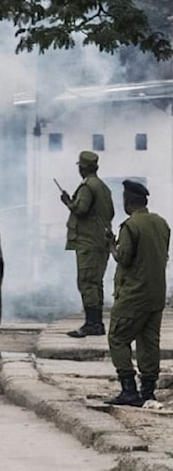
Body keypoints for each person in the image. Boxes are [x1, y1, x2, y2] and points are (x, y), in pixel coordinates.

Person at [104, 180, 169, 407]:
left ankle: (128, 389)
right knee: (149, 342)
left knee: (117, 337)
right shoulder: (161, 223)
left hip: (134, 294)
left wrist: (112, 246)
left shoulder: (130, 226)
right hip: (156, 293)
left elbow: (125, 258)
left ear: (128, 201)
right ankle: (148, 391)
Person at [60, 150, 115, 338]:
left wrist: (68, 202)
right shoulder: (103, 187)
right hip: (101, 242)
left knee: (87, 282)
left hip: (88, 242)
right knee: (95, 282)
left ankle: (92, 324)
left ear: (82, 168)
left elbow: (81, 209)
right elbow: (111, 212)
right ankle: (95, 322)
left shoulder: (87, 187)